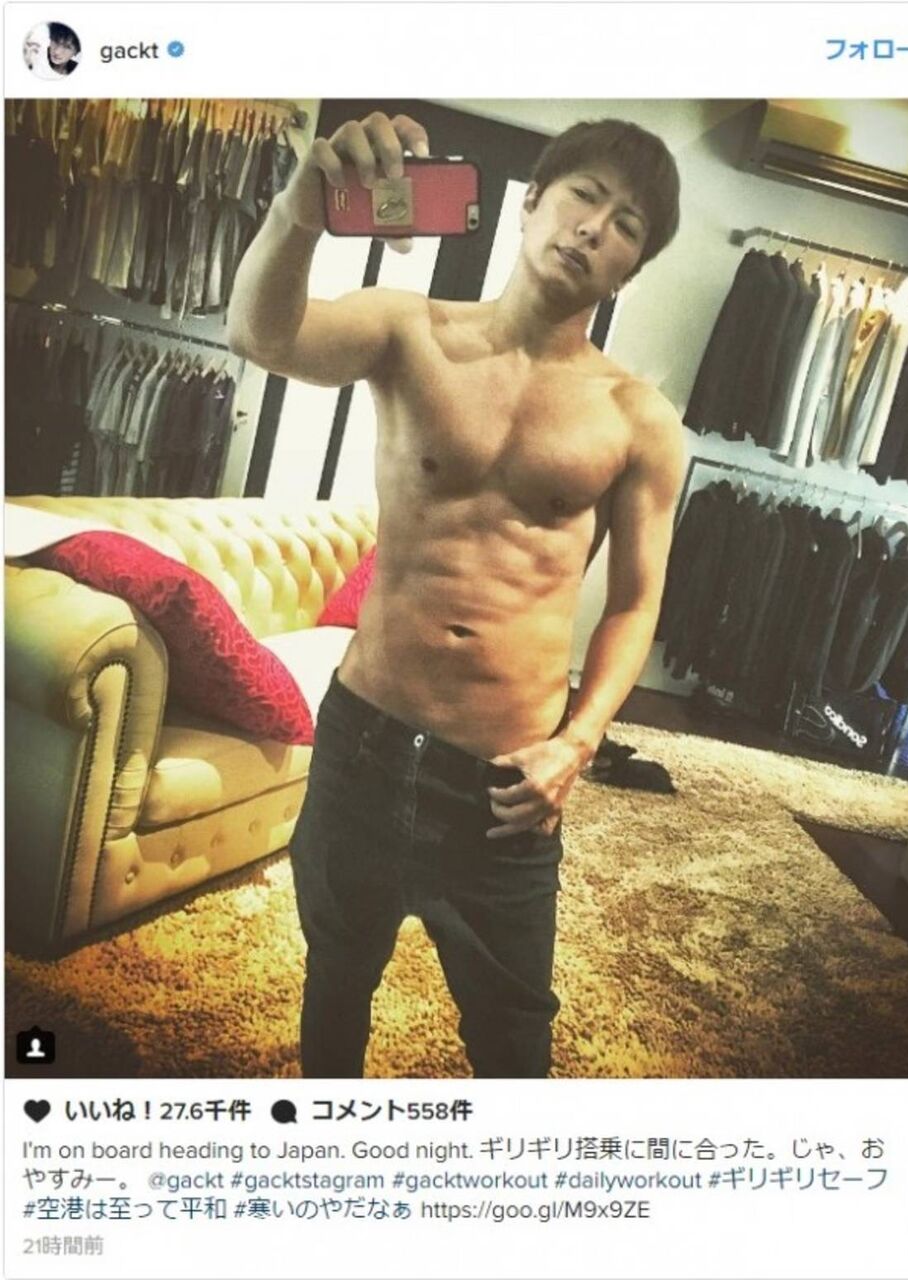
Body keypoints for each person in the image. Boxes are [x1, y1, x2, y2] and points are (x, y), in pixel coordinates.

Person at [228, 110, 685, 1078]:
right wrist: (299, 213)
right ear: (531, 202)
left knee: (513, 1031)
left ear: (629, 271)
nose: (594, 227)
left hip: (505, 778)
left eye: (628, 225)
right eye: (583, 196)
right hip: (367, 736)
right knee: (336, 976)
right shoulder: (410, 330)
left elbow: (634, 603)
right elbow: (262, 333)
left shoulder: (638, 420)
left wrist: (577, 742)